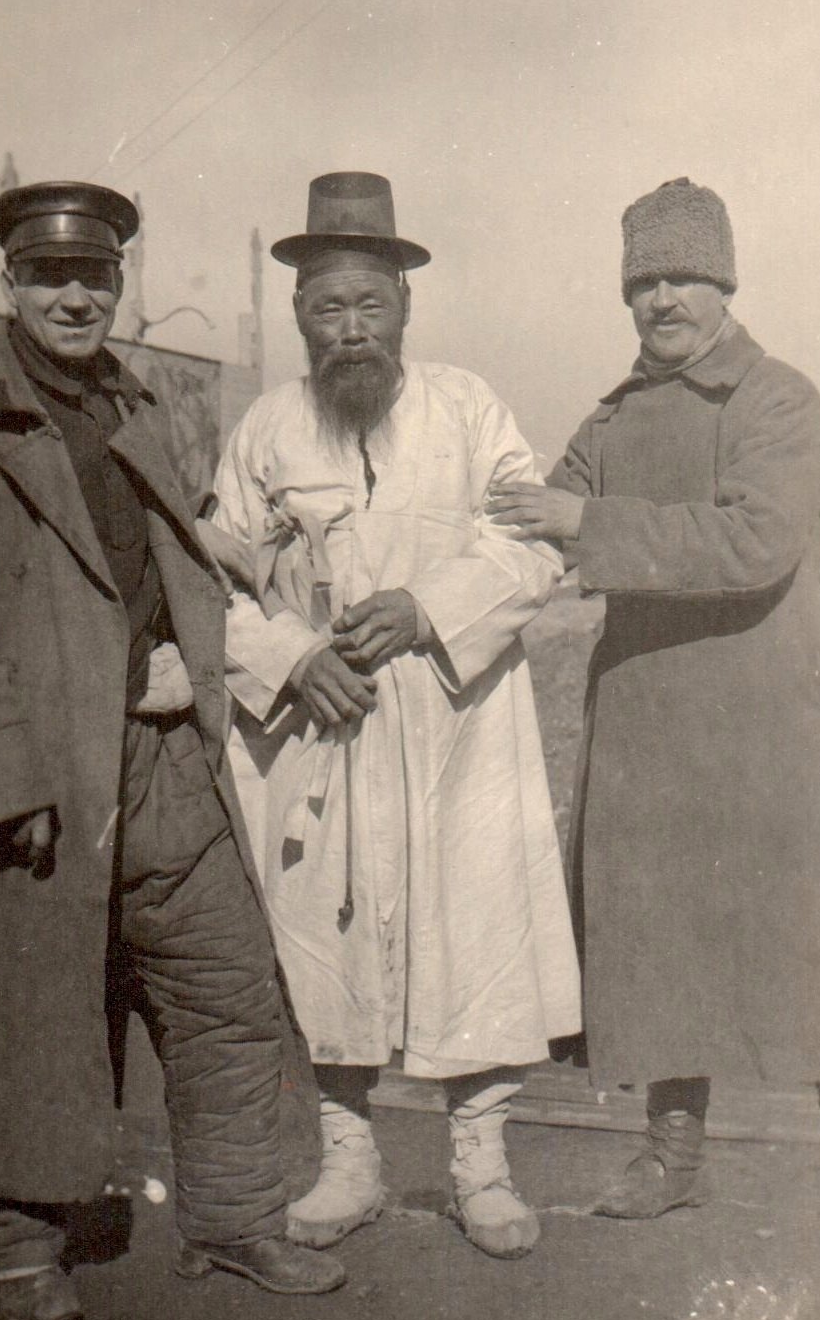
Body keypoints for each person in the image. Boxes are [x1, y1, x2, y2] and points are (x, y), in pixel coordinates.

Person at [0, 181, 344, 1320]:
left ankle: (236, 1215)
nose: (75, 298)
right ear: (10, 283)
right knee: (28, 998)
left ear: (119, 284)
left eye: (95, 277)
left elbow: (171, 553)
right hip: (39, 758)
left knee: (226, 984)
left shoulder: (136, 400)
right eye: (49, 276)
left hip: (163, 756)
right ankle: (19, 1240)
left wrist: (199, 652)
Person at [203, 172, 581, 1260]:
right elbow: (209, 577)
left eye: (371, 303)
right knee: (325, 937)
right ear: (298, 316)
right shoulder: (266, 429)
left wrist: (429, 609)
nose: (351, 328)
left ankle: (481, 1167)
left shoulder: (469, 409)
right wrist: (293, 659)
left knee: (477, 930)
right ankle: (349, 1161)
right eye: (328, 306)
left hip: (458, 716)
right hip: (322, 723)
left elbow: (533, 544)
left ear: (406, 304)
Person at [488, 177, 820, 1248]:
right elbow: (530, 520)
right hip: (652, 727)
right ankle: (672, 1151)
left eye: (684, 277)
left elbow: (753, 542)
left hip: (770, 729)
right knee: (658, 939)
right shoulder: (612, 418)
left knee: (814, 948)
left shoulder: (778, 399)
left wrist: (586, 523)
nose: (662, 299)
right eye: (644, 280)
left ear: (725, 284)